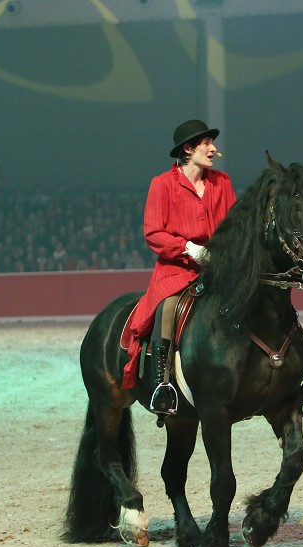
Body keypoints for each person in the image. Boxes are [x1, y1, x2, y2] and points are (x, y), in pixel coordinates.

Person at [119, 119, 236, 414]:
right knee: (168, 307)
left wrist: (221, 251)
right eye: (207, 144)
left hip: (217, 267)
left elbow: (235, 225)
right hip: (176, 270)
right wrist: (189, 249)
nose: (213, 149)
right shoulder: (162, 185)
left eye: (213, 144)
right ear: (188, 148)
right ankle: (163, 385)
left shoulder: (222, 182)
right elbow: (154, 233)